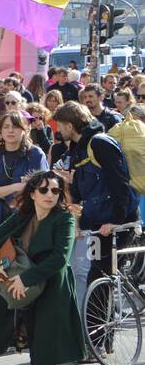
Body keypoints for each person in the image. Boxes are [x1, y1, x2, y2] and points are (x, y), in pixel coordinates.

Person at [0, 172, 87, 365]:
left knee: (41, 353)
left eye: (55, 190)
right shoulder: (23, 216)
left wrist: (25, 279)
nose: (50, 195)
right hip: (25, 293)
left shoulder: (64, 218)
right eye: (44, 190)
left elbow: (59, 259)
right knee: (41, 350)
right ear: (32, 194)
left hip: (53, 292)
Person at [50, 101, 141, 312]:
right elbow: (85, 192)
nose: (58, 130)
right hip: (99, 219)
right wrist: (71, 182)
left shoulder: (100, 143)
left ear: (70, 126)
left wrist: (116, 220)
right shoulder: (78, 149)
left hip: (117, 220)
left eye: (60, 125)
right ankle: (100, 335)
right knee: (99, 275)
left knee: (98, 276)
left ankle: (97, 336)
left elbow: (119, 182)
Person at [0, 113, 49, 312]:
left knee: (25, 273)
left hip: (26, 222)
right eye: (6, 127)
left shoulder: (35, 154)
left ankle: (25, 330)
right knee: (1, 274)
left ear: (24, 130)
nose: (10, 131)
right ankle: (6, 328)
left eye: (15, 126)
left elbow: (38, 189)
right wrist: (17, 186)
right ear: (0, 131)